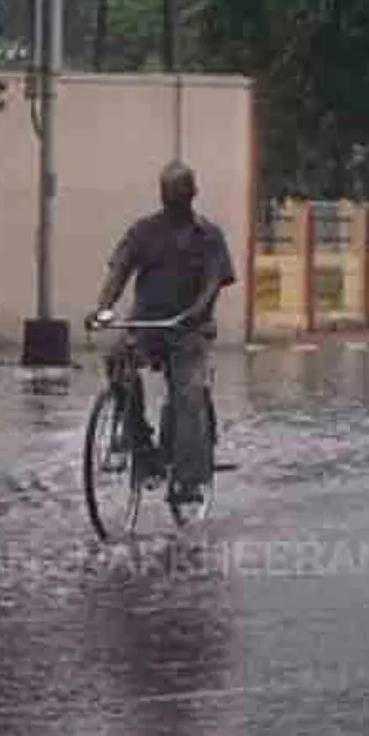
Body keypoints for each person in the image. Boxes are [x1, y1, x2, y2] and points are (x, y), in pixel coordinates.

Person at [89, 161, 236, 505]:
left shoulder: (209, 236)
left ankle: (188, 479)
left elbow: (214, 282)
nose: (174, 200)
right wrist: (103, 308)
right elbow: (119, 271)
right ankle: (141, 447)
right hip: (146, 324)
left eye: (181, 193)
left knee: (188, 393)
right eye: (169, 194)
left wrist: (197, 312)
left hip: (189, 329)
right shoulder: (143, 232)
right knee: (118, 362)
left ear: (193, 194)